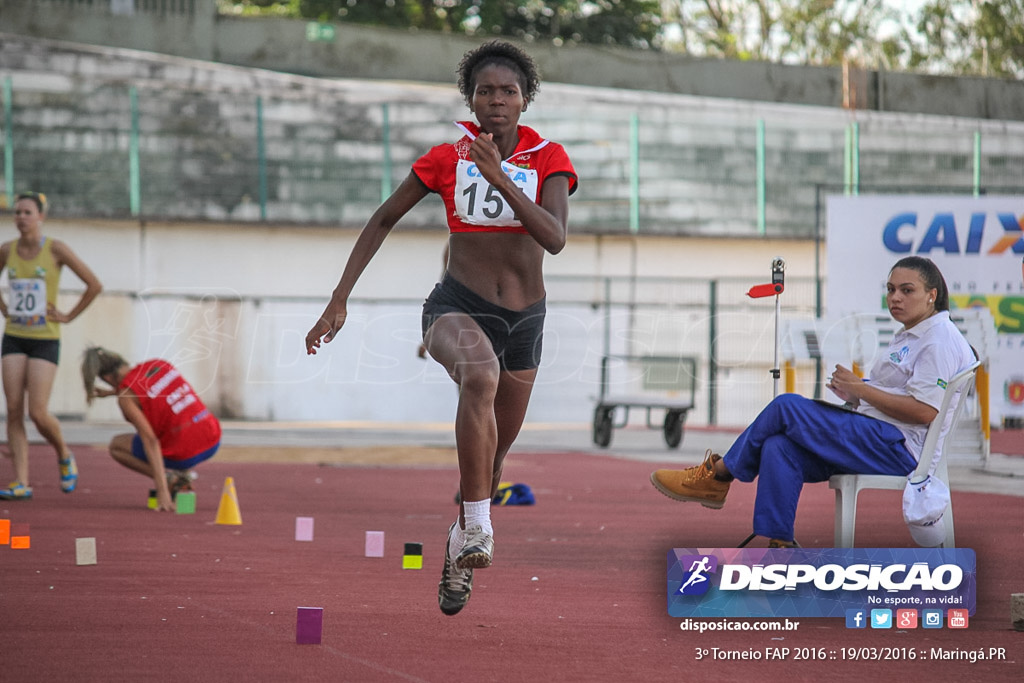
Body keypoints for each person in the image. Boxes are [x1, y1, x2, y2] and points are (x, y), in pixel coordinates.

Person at [305, 40, 577, 615]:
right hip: (455, 305)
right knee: (479, 376)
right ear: (471, 101)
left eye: (508, 91)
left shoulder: (551, 158)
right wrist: (339, 298)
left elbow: (553, 238)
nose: (497, 101)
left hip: (526, 318)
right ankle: (479, 527)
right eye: (485, 92)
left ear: (525, 100)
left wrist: (500, 177)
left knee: (495, 458)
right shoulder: (443, 158)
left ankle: (459, 544)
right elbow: (382, 218)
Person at [650, 256, 976, 547]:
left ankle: (718, 476)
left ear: (932, 295)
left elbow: (923, 411)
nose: (895, 298)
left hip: (898, 449)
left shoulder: (937, 341)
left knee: (785, 407)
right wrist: (857, 390)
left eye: (907, 290)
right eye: (891, 289)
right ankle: (779, 544)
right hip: (874, 436)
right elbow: (900, 396)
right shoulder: (913, 333)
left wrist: (862, 392)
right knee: (779, 446)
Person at [0, 191, 102, 500]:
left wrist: (68, 315)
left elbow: (94, 284)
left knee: (38, 412)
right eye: (17, 212)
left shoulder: (56, 249)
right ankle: (21, 481)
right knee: (14, 410)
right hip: (15, 336)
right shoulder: (7, 250)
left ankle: (63, 453)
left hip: (45, 339)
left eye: (27, 212)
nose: (21, 218)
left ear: (41, 217)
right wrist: (4, 307)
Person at [81, 347, 221, 512]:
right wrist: (114, 392)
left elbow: (150, 440)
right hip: (212, 439)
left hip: (185, 454)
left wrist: (162, 492)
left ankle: (171, 478)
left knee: (117, 446)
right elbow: (153, 390)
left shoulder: (126, 397)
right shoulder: (159, 364)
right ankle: (176, 476)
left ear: (106, 378)